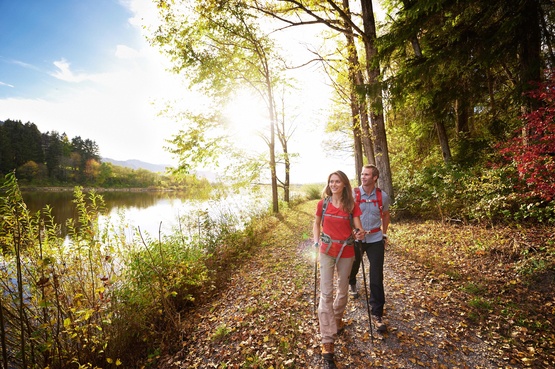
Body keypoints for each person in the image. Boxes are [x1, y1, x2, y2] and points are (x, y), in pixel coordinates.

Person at [313, 170, 365, 369]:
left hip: (346, 251)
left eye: (337, 181)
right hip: (326, 251)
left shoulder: (352, 206)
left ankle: (335, 320)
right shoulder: (323, 203)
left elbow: (358, 228)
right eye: (331, 181)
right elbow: (317, 223)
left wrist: (360, 234)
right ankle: (327, 339)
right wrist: (316, 241)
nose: (333, 184)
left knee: (342, 291)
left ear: (344, 184)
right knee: (326, 293)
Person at [348, 164, 391, 333]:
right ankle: (352, 282)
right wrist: (352, 231)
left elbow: (386, 215)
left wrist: (384, 234)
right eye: (362, 174)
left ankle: (377, 313)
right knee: (354, 265)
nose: (363, 177)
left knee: (376, 275)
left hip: (375, 239)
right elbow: (347, 215)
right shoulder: (353, 194)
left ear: (375, 178)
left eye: (367, 175)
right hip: (356, 238)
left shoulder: (383, 196)